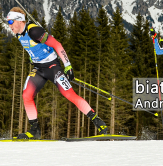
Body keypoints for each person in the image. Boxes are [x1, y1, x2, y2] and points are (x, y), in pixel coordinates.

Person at [7, 7, 107, 139]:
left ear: (19, 21)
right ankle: (35, 130)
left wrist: (68, 66)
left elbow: (57, 45)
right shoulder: (18, 33)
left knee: (69, 94)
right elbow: (32, 47)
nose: (9, 26)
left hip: (53, 67)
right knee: (27, 94)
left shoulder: (35, 31)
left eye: (10, 22)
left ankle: (97, 120)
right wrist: (33, 57)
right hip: (39, 69)